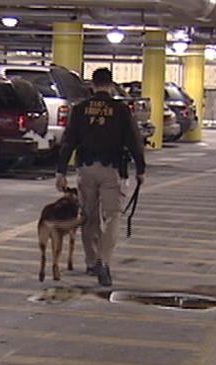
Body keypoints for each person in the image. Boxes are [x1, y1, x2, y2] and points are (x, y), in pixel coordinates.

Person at [55, 68, 146, 287]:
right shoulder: (121, 110)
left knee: (89, 216)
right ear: (111, 85)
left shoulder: (80, 109)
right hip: (112, 170)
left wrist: (60, 172)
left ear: (92, 85)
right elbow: (134, 141)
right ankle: (104, 263)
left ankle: (91, 261)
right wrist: (141, 169)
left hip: (86, 169)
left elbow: (68, 141)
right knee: (113, 216)